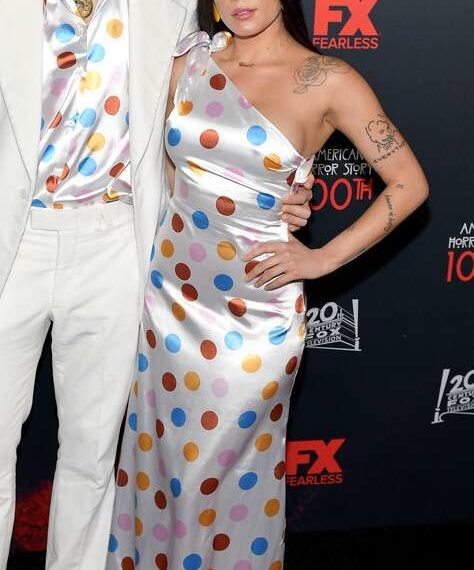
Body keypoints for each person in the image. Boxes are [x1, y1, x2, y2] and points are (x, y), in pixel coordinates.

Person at [0, 0, 314, 568]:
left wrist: (279, 184)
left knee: (93, 457)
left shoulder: (171, 9)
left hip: (116, 245)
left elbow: (211, 116)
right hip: (6, 246)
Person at [106, 0, 429, 569]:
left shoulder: (328, 79)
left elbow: (409, 184)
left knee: (212, 479)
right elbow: (168, 176)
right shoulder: (189, 62)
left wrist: (322, 259)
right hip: (167, 304)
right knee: (163, 472)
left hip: (255, 318)